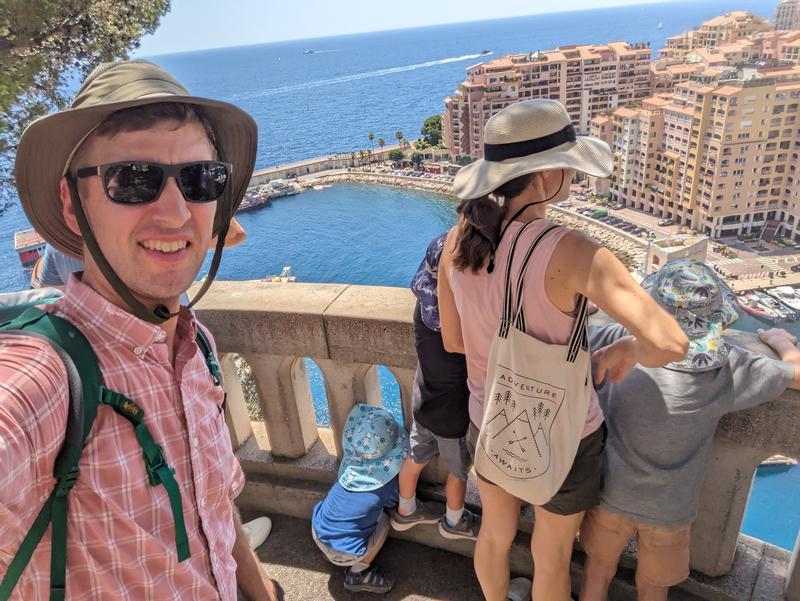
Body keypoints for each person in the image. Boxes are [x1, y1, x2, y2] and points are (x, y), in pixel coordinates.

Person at [0, 60, 281, 600]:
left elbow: (214, 508)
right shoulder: (46, 379)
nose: (177, 214)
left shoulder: (195, 345)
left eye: (201, 180)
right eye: (133, 179)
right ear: (71, 201)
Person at [437, 99, 688, 601]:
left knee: (495, 534)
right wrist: (628, 352)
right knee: (551, 556)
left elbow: (455, 341)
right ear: (546, 174)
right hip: (565, 434)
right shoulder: (572, 250)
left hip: (490, 418)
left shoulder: (456, 240)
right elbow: (671, 343)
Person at [579, 259, 800, 601]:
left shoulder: (618, 339)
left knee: (597, 573)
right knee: (653, 588)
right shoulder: (727, 368)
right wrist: (782, 341)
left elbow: (573, 334)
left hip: (610, 492)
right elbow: (794, 374)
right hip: (671, 508)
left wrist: (590, 305)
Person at [391, 232, 478, 539]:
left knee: (415, 457)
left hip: (423, 403)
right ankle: (454, 522)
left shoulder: (424, 314)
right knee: (457, 472)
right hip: (452, 415)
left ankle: (405, 510)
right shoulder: (463, 330)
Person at [311, 404, 409, 594]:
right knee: (386, 520)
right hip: (346, 553)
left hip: (319, 535)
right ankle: (359, 573)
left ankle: (334, 552)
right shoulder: (387, 486)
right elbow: (392, 504)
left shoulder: (347, 473)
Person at [32, 218, 247, 289]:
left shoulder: (56, 248)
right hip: (171, 343)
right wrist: (175, 246)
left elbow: (47, 293)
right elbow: (235, 234)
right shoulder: (158, 232)